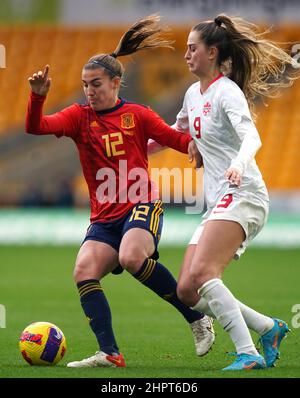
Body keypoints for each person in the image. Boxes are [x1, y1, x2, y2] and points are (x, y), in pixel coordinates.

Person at [25, 15, 215, 368]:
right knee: (83, 270)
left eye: (96, 84)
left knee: (131, 258)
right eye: (85, 85)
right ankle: (110, 353)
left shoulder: (137, 115)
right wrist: (38, 98)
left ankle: (196, 318)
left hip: (142, 203)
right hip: (104, 216)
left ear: (115, 82)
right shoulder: (78, 117)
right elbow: (35, 126)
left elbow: (176, 138)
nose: (89, 91)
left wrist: (201, 146)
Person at [168, 15, 297, 371]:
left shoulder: (227, 91)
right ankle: (268, 328)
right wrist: (133, 144)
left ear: (212, 52)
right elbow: (173, 134)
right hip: (219, 200)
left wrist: (239, 165)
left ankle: (249, 353)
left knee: (205, 272)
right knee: (187, 291)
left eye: (193, 48)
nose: (187, 55)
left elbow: (252, 136)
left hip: (244, 193)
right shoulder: (193, 93)